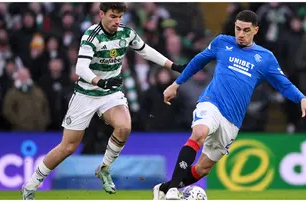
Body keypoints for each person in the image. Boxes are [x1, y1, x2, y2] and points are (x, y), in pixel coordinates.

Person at [21, 2, 186, 200]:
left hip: (110, 93)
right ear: (101, 14)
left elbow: (145, 50)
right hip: (86, 94)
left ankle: (104, 168)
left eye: (120, 17)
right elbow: (80, 69)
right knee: (68, 147)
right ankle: (30, 186)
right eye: (113, 16)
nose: (117, 21)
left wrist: (172, 65)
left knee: (124, 127)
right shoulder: (91, 36)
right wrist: (101, 81)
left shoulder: (126, 33)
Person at [153, 10, 306, 200]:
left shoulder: (265, 58)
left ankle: (163, 188)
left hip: (232, 121)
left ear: (256, 30)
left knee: (203, 168)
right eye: (238, 28)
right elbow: (198, 61)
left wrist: (302, 98)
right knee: (199, 133)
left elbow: (283, 84)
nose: (241, 34)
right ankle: (173, 190)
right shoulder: (222, 42)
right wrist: (176, 84)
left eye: (246, 30)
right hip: (211, 103)